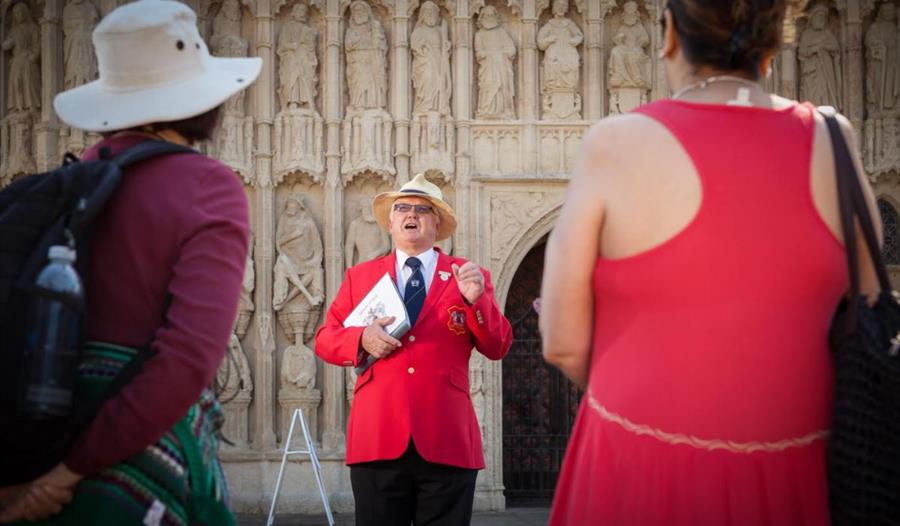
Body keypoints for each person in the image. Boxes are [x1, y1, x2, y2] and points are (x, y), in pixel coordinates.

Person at [540, 0, 880, 524]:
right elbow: (869, 298)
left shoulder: (617, 143)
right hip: (803, 466)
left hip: (642, 461)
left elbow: (562, 342)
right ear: (772, 43)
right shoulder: (835, 140)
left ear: (671, 35)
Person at [0, 0, 261, 523]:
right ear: (202, 101)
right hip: (128, 452)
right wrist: (68, 472)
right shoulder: (207, 187)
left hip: (35, 432)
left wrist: (25, 481)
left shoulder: (63, 185)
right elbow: (186, 358)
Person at [315, 174, 513, 526]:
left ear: (437, 224)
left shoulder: (466, 275)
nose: (412, 215)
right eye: (403, 208)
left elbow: (498, 346)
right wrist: (361, 338)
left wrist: (477, 301)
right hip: (377, 437)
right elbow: (325, 339)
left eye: (423, 209)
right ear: (390, 223)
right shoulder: (360, 277)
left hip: (446, 438)